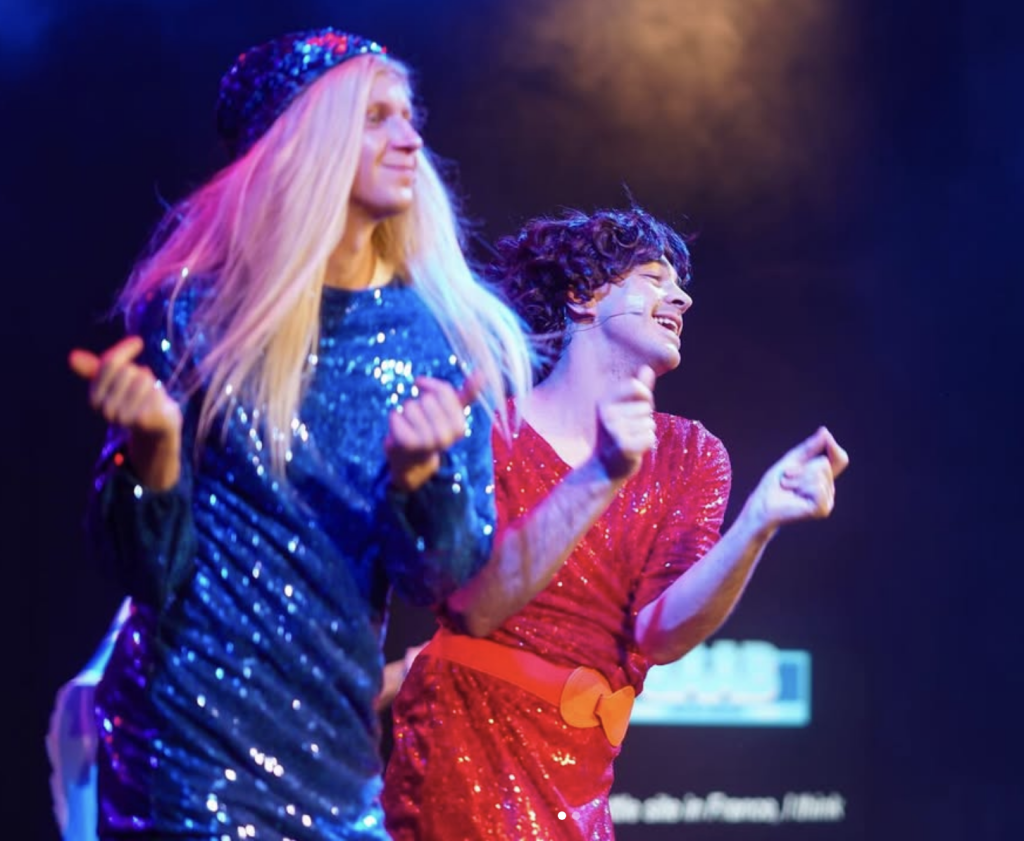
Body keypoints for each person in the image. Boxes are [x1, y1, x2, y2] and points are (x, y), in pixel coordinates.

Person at [64, 26, 533, 841]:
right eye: (376, 117)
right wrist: (153, 458)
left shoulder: (441, 337)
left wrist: (421, 482)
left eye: (409, 115)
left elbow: (442, 578)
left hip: (335, 765)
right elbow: (142, 571)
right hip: (185, 756)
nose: (410, 138)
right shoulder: (196, 315)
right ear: (305, 143)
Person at [382, 205, 849, 840]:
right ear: (583, 296)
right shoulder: (491, 430)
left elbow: (660, 633)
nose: (681, 298)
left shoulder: (691, 455)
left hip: (580, 777)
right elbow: (472, 605)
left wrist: (758, 524)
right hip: (463, 748)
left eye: (680, 287)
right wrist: (601, 473)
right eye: (654, 278)